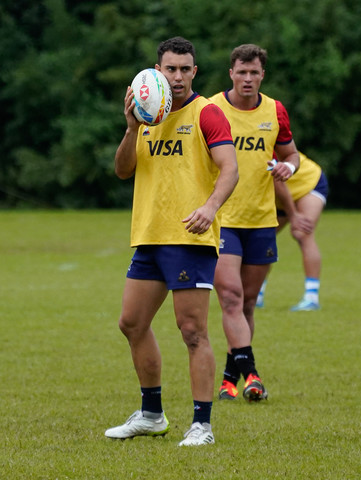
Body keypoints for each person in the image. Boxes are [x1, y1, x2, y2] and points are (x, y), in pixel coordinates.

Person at [105, 37, 239, 446]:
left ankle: (202, 425)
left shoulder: (208, 113)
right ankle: (151, 414)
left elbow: (230, 168)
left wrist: (210, 208)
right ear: (158, 70)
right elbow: (123, 170)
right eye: (170, 68)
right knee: (131, 323)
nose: (177, 76)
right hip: (149, 237)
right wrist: (132, 129)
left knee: (193, 331)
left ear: (194, 72)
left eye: (184, 69)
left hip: (190, 238)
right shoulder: (147, 114)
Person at [209, 44, 300, 402]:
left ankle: (230, 379)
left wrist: (287, 167)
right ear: (230, 73)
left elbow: (290, 152)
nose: (248, 78)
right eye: (241, 72)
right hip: (222, 219)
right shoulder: (212, 109)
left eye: (254, 73)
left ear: (263, 75)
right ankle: (252, 374)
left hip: (261, 219)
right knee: (230, 297)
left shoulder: (274, 110)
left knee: (246, 304)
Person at [257, 151, 329, 311]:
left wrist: (293, 215)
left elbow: (278, 182)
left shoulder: (263, 142)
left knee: (302, 233)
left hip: (307, 185)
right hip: (277, 195)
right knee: (261, 238)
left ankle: (311, 297)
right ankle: (256, 294)